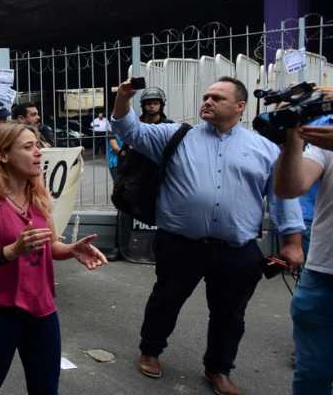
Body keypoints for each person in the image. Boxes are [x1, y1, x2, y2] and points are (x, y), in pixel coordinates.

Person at [111, 76, 304, 395]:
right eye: (206, 96)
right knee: (166, 300)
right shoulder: (175, 135)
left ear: (240, 107)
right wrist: (123, 97)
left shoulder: (265, 148)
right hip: (180, 244)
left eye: (217, 97)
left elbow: (284, 197)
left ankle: (219, 369)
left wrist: (293, 242)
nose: (208, 101)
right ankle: (151, 350)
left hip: (237, 249)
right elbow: (127, 130)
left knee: (230, 315)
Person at [0, 123, 107, 394]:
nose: (39, 152)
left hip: (41, 310)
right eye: (28, 147)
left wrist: (71, 249)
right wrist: (11, 251)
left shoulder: (38, 196)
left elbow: (50, 245)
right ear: (3, 155)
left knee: (46, 389)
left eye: (38, 145)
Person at [273, 98, 333, 394]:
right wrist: (291, 140)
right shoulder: (327, 139)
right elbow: (288, 188)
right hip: (321, 275)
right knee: (311, 376)